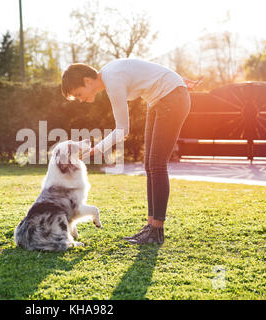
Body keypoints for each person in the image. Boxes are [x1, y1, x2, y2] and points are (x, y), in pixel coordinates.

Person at [61, 58, 200, 244]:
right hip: (160, 99)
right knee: (150, 165)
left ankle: (156, 230)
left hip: (171, 98)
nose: (81, 100)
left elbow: (122, 130)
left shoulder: (112, 78)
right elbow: (144, 69)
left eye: (79, 94)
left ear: (87, 81)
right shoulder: (111, 74)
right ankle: (151, 226)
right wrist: (176, 80)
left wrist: (96, 150)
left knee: (157, 165)